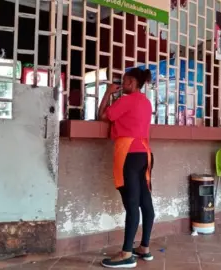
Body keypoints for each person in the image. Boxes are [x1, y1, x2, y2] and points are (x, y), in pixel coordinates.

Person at [98, 68, 155, 268]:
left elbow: (103, 115)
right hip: (145, 153)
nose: (121, 85)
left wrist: (107, 93)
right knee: (145, 202)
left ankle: (126, 254)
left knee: (132, 204)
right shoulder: (146, 103)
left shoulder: (125, 100)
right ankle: (144, 248)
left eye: (123, 82)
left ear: (131, 82)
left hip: (128, 153)